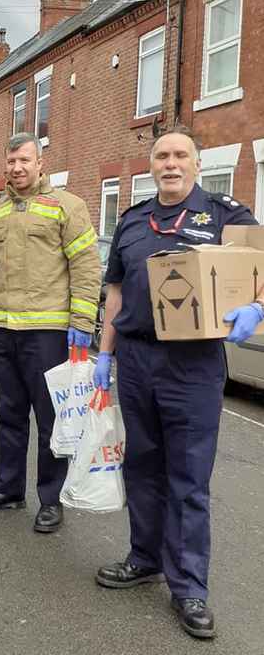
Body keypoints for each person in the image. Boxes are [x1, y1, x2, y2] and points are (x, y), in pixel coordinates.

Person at [93, 127, 261, 640]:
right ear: (152, 164)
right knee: (142, 466)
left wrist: (257, 305)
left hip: (193, 366)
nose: (170, 163)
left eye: (179, 155)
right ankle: (144, 557)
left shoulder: (225, 213)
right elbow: (115, 292)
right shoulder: (132, 221)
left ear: (195, 162)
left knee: (188, 478)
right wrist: (105, 355)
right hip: (137, 360)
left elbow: (261, 267)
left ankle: (190, 587)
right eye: (162, 155)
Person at [0, 132, 101, 532]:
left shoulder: (67, 207)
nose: (17, 168)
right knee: (9, 416)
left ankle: (50, 499)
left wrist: (80, 323)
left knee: (50, 419)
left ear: (40, 163)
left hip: (48, 332)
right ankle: (7, 489)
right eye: (11, 162)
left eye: (24, 160)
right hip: (3, 332)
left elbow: (86, 268)